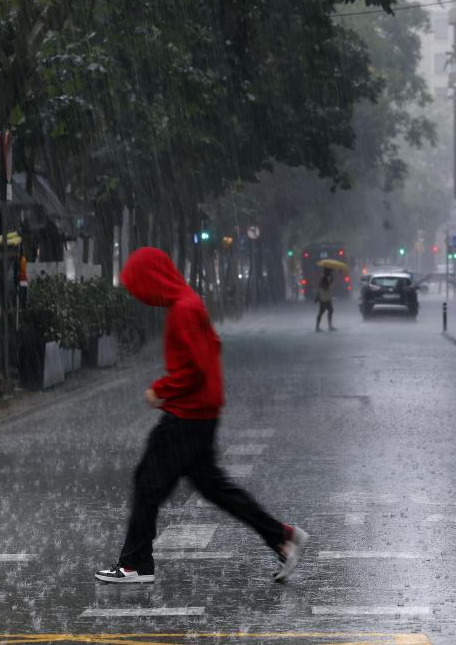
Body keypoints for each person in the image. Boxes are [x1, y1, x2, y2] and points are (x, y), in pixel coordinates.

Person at [96, 247, 309, 584]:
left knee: (147, 483)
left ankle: (135, 564)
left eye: (138, 286)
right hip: (201, 414)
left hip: (186, 415)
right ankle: (281, 536)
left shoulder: (183, 310)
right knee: (216, 489)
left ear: (152, 280)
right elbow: (213, 348)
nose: (139, 295)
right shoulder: (189, 303)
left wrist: (160, 389)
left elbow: (194, 368)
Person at [315, 267, 335, 332]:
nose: (331, 272)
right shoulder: (324, 278)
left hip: (326, 297)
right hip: (324, 298)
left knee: (327, 311)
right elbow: (325, 287)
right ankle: (319, 327)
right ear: (327, 271)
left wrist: (331, 279)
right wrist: (330, 281)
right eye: (330, 271)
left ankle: (326, 326)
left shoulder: (326, 277)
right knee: (325, 311)